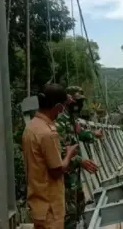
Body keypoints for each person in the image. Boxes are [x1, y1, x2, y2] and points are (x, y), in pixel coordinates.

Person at [21, 83, 78, 229]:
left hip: (38, 203)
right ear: (59, 107)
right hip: (50, 207)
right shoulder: (47, 134)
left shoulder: (31, 127)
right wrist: (69, 153)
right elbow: (57, 170)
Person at [56, 86, 102, 229]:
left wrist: (94, 135)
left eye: (81, 101)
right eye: (76, 101)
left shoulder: (71, 118)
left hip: (74, 173)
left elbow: (79, 133)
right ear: (68, 100)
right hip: (64, 174)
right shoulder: (59, 119)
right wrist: (80, 160)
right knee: (68, 212)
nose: (79, 104)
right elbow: (58, 151)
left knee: (79, 204)